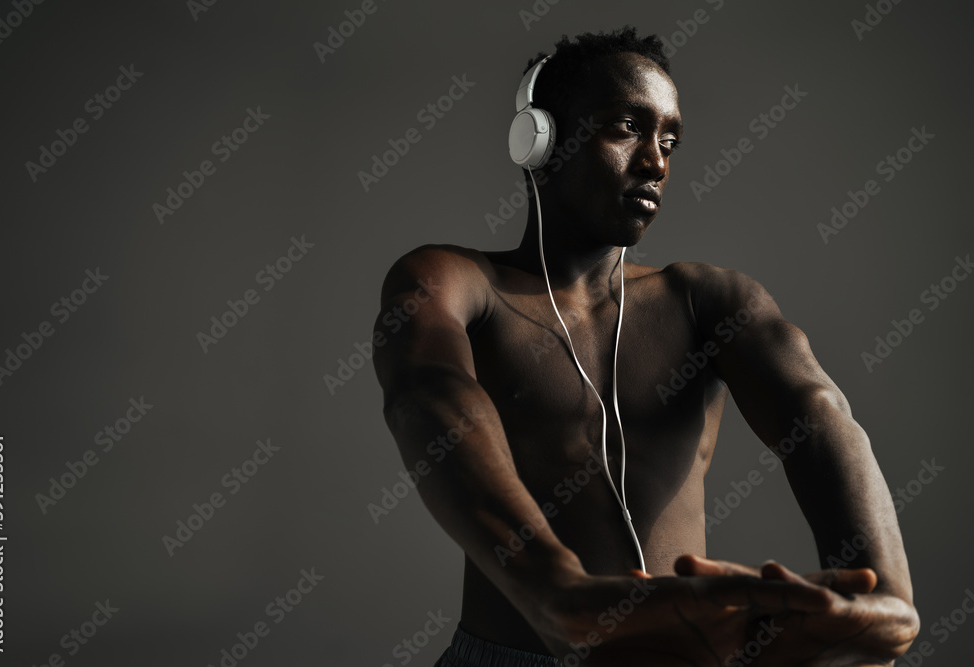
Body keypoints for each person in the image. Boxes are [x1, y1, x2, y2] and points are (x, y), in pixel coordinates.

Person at [372, 26, 919, 666]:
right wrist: (558, 595)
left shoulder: (707, 299)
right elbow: (427, 397)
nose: (656, 162)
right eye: (626, 128)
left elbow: (821, 413)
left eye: (670, 140)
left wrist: (884, 604)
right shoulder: (455, 280)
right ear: (538, 141)